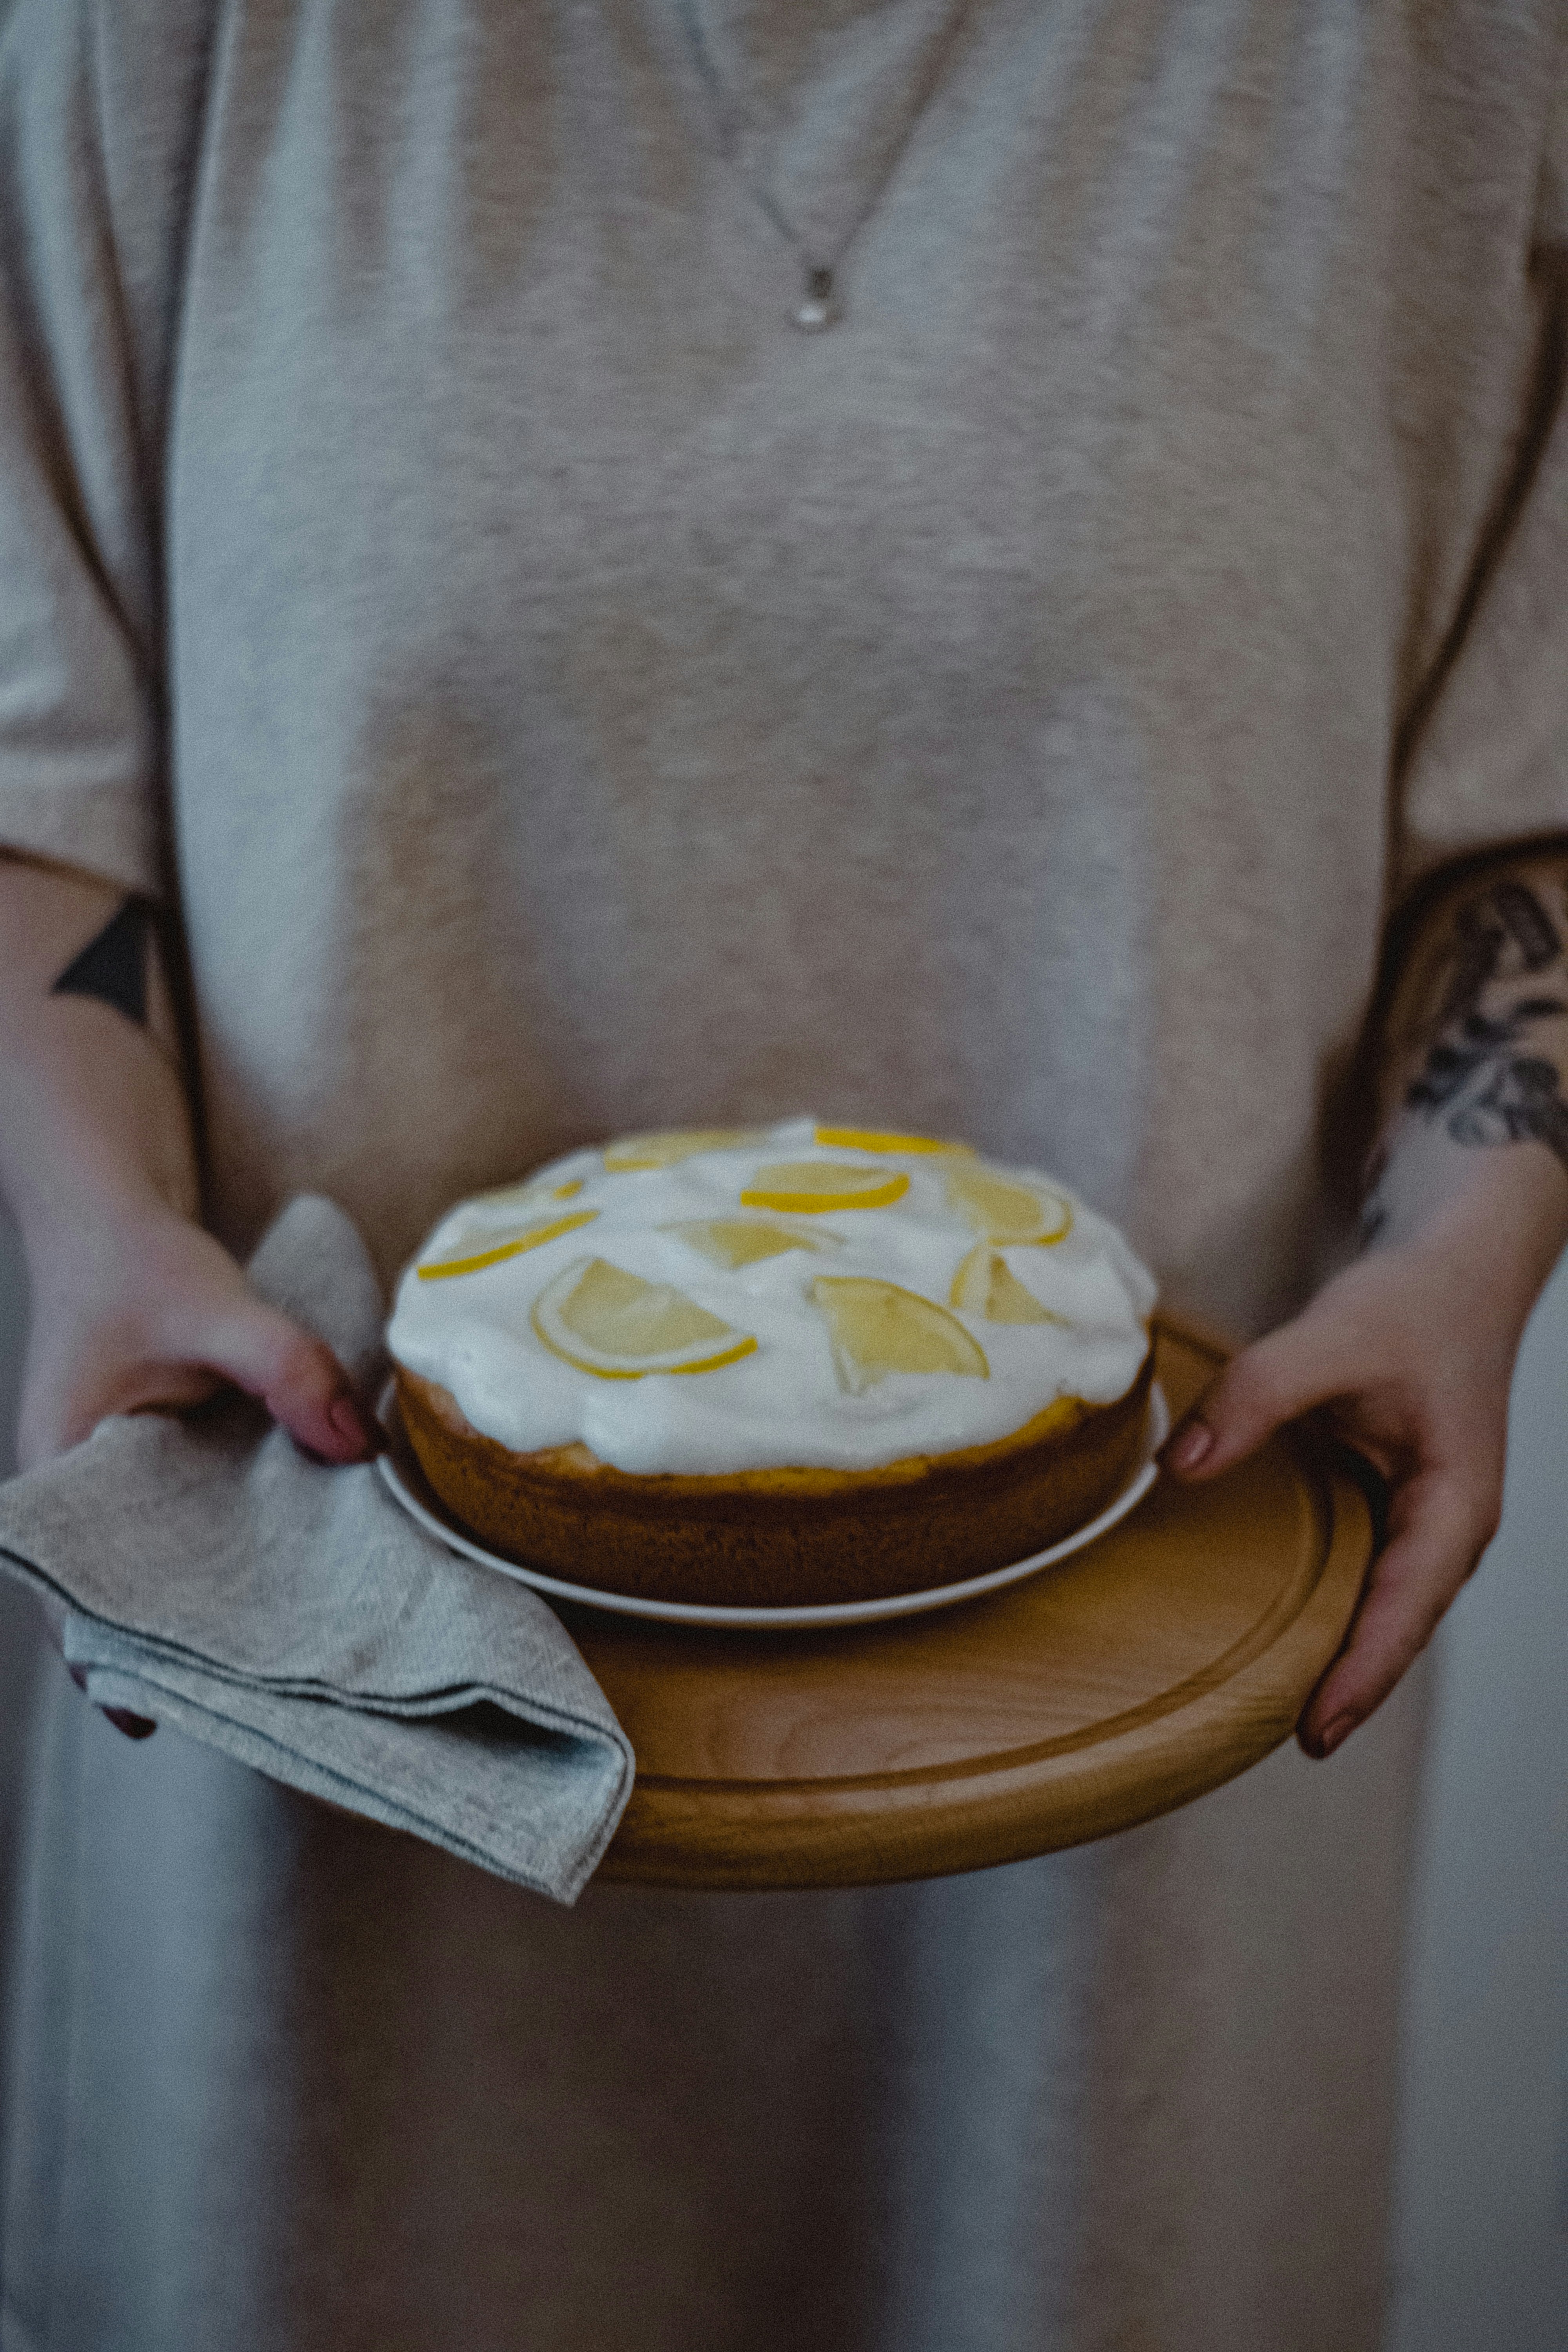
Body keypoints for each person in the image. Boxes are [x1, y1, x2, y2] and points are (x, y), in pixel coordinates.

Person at [0, 0, 1563, 2342]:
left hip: (1145, 1715)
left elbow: (1533, 793)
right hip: (339, 1738)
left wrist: (1475, 1242)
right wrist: (94, 1216)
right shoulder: (168, 37)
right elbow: (36, 751)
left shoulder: (1447, 61)